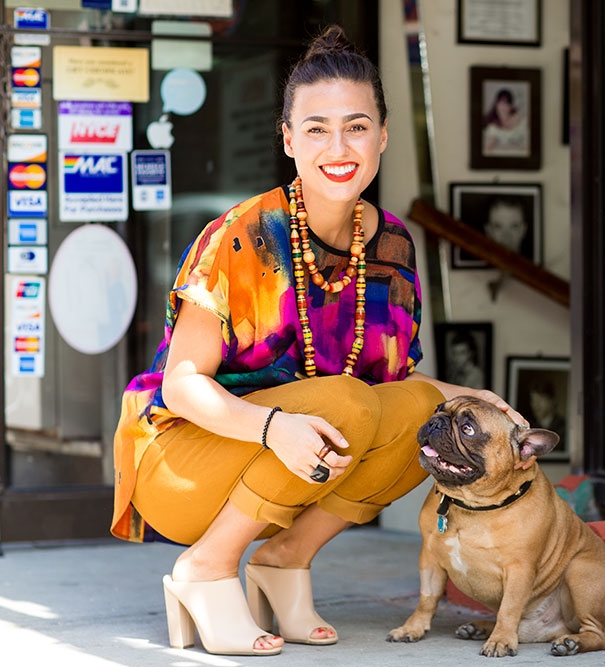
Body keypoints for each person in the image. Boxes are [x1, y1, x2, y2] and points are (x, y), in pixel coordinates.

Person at [111, 25, 525, 657]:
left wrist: (474, 395)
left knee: (420, 415)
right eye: (316, 128)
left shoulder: (392, 247)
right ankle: (206, 567)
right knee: (347, 404)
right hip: (184, 458)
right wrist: (275, 426)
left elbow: (396, 391)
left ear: (383, 136)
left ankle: (282, 560)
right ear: (287, 139)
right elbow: (182, 385)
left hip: (289, 446)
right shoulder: (243, 236)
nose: (339, 146)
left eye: (357, 127)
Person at [482, 87, 528, 156]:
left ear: (511, 106)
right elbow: (489, 148)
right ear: (496, 105)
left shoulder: (523, 121)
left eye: (506, 104)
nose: (503, 107)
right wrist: (513, 149)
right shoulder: (492, 128)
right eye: (500, 104)